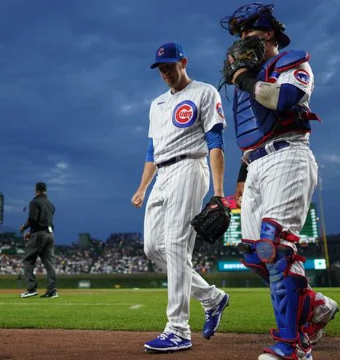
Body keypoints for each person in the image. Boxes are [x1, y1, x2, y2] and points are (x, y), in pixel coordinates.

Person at [219, 3, 339, 359]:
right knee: (257, 256)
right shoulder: (249, 83)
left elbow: (286, 100)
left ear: (268, 34)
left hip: (288, 156)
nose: (242, 43)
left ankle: (292, 346)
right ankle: (314, 306)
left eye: (249, 34)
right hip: (256, 166)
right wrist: (241, 178)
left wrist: (243, 79)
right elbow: (253, 136)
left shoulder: (290, 62)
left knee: (276, 247)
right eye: (239, 37)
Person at [131, 42, 231, 353]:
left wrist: (217, 192)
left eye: (170, 66)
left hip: (190, 166)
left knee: (175, 244)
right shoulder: (157, 104)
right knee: (153, 247)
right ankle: (212, 298)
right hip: (161, 173)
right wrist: (142, 186)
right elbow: (151, 151)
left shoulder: (204, 92)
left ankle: (178, 329)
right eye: (161, 68)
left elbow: (216, 142)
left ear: (183, 62)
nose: (165, 72)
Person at [19, 182, 58, 299]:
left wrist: (24, 227)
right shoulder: (51, 204)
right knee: (50, 264)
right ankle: (52, 291)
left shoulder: (34, 202)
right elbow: (46, 221)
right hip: (50, 234)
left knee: (27, 260)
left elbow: (32, 219)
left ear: (36, 190)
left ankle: (31, 289)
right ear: (45, 190)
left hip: (39, 235)